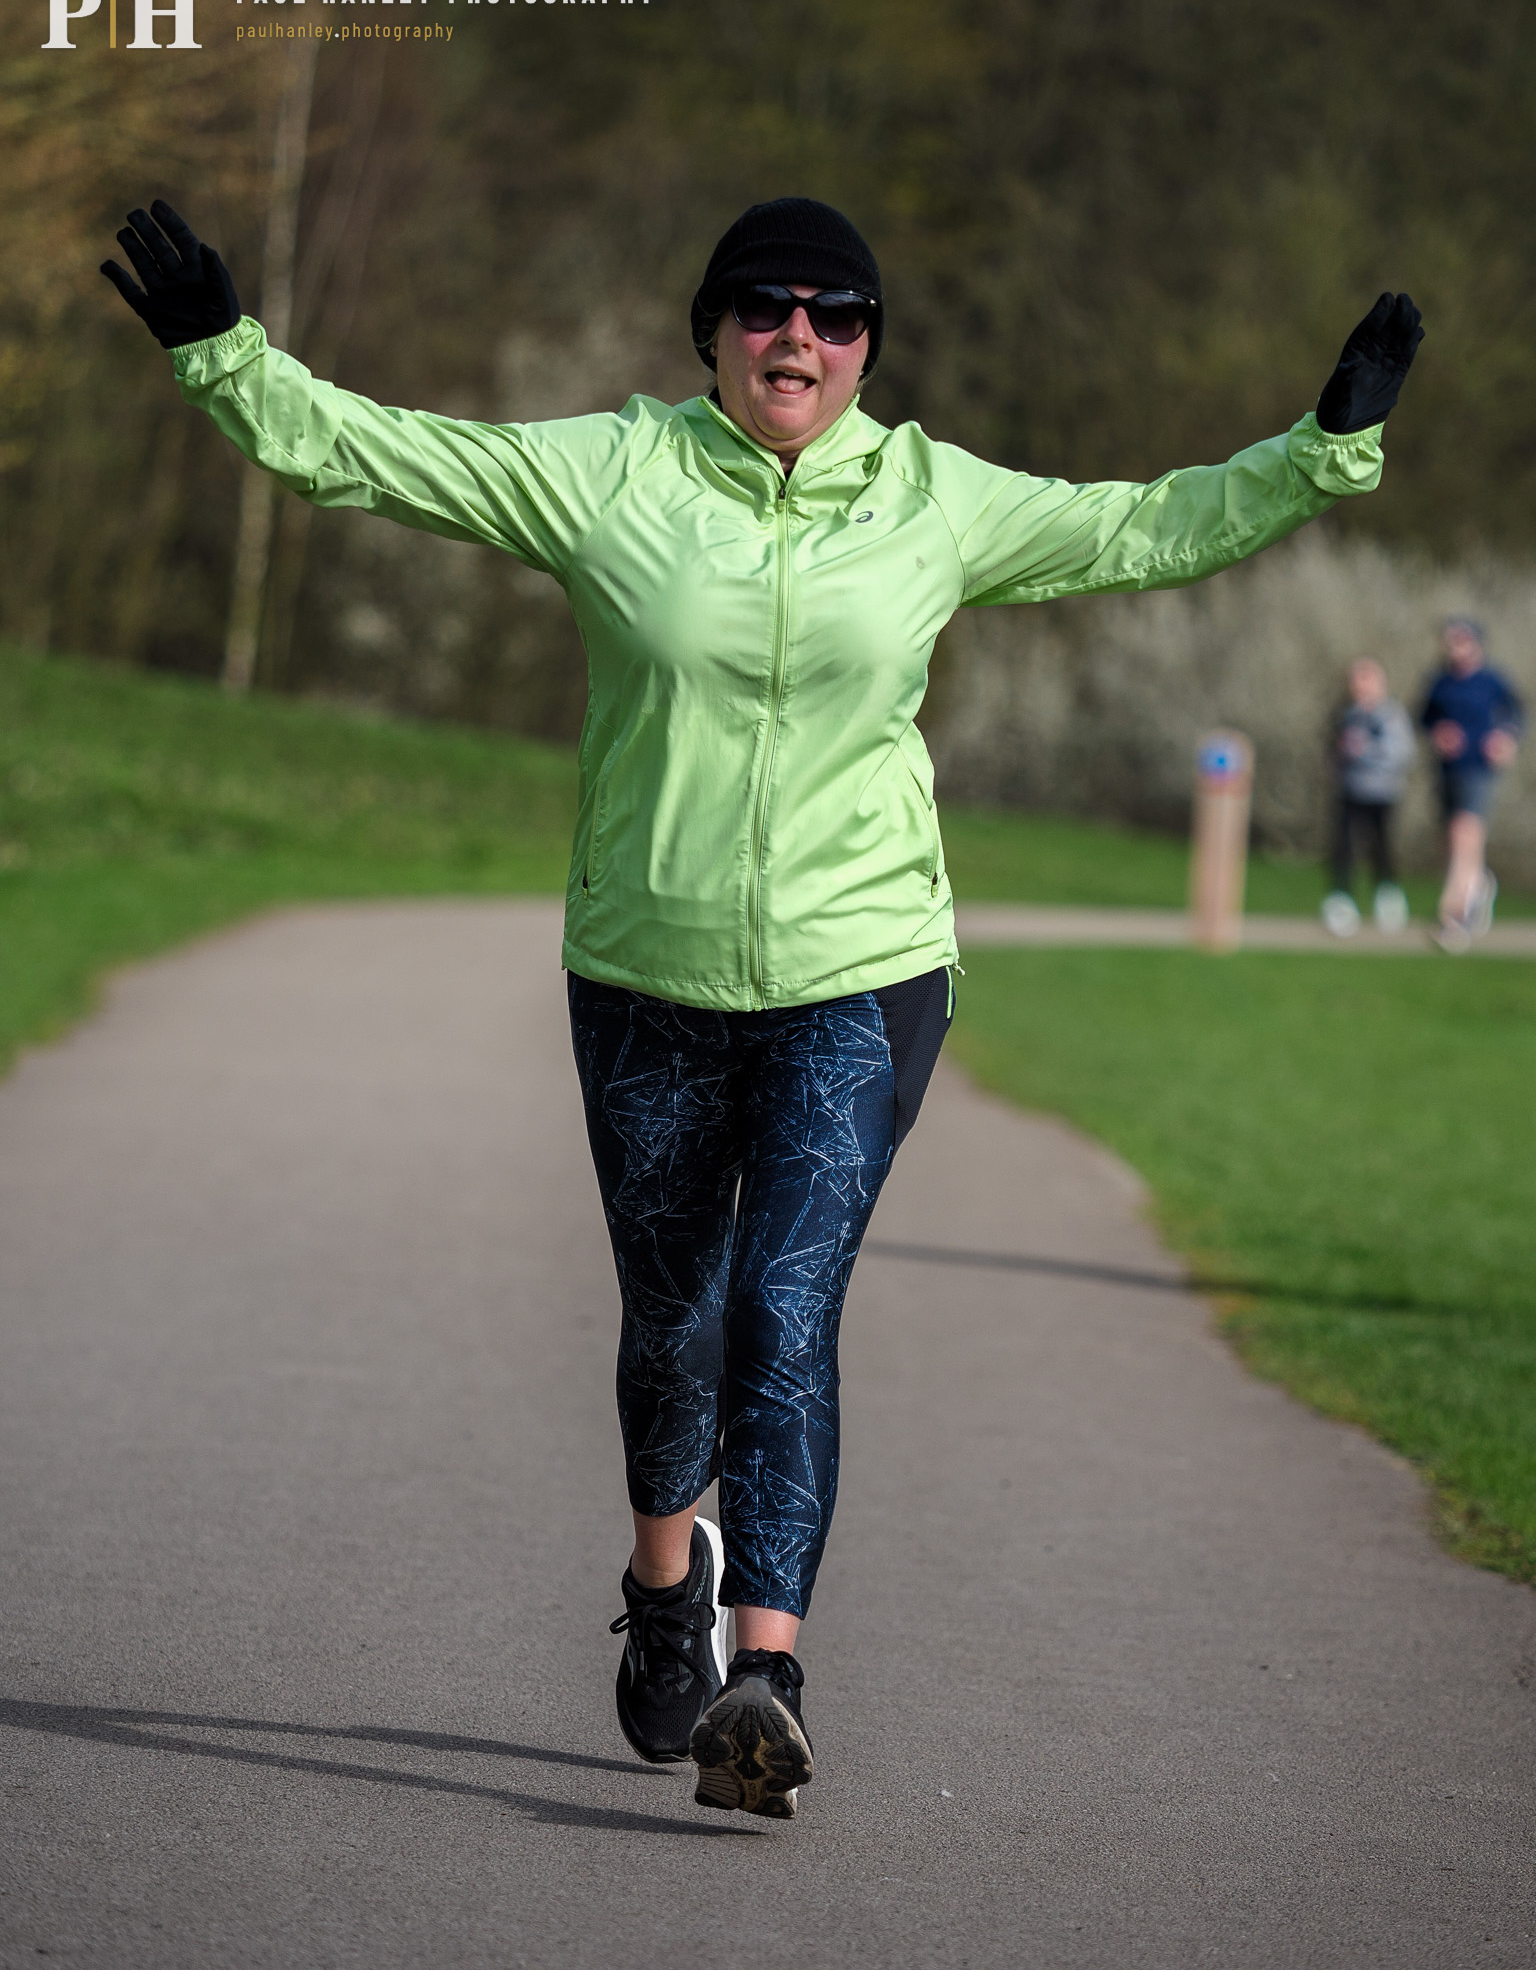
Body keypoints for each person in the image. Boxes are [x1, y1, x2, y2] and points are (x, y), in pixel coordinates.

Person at [102, 194, 1421, 1820]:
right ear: (711, 331)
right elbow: (375, 450)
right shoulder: (611, 475)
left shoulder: (935, 499)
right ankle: (666, 1590)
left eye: (838, 312)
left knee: (784, 1308)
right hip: (646, 976)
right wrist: (222, 351)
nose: (802, 334)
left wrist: (1324, 445)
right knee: (674, 1323)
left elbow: (1149, 524)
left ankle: (763, 1674)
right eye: (766, 305)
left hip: (860, 976)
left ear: (868, 345)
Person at [1420, 618, 1523, 951]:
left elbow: (1517, 713)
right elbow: (1424, 717)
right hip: (1447, 771)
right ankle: (1478, 885)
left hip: (1478, 769)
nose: (1455, 648)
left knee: (1465, 833)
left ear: (1476, 644)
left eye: (1461, 641)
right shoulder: (1440, 683)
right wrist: (1439, 732)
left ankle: (1454, 917)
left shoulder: (1492, 681)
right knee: (1450, 841)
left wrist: (1506, 738)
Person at [1321, 656, 1415, 937]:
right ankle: (1341, 900)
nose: (1360, 686)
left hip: (1383, 792)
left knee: (1382, 847)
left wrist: (1365, 753)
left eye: (1366, 679)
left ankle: (1388, 898)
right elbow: (1333, 750)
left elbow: (1401, 753)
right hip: (1350, 790)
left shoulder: (1391, 714)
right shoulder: (1346, 714)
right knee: (1344, 846)